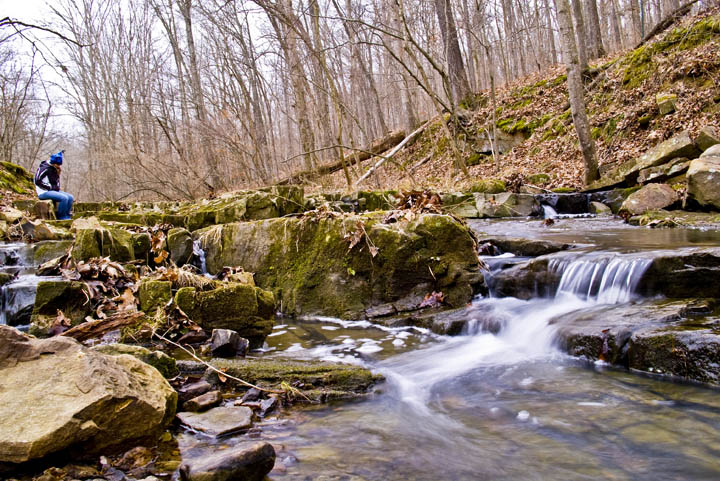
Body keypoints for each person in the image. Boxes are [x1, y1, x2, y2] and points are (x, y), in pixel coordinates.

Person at [34, 151, 74, 220]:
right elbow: (37, 181)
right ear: (53, 163)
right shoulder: (44, 168)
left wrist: (56, 186)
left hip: (52, 190)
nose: (59, 166)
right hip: (43, 192)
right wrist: (49, 187)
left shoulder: (54, 168)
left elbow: (55, 181)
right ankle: (62, 217)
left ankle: (67, 215)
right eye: (57, 165)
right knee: (64, 198)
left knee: (70, 197)